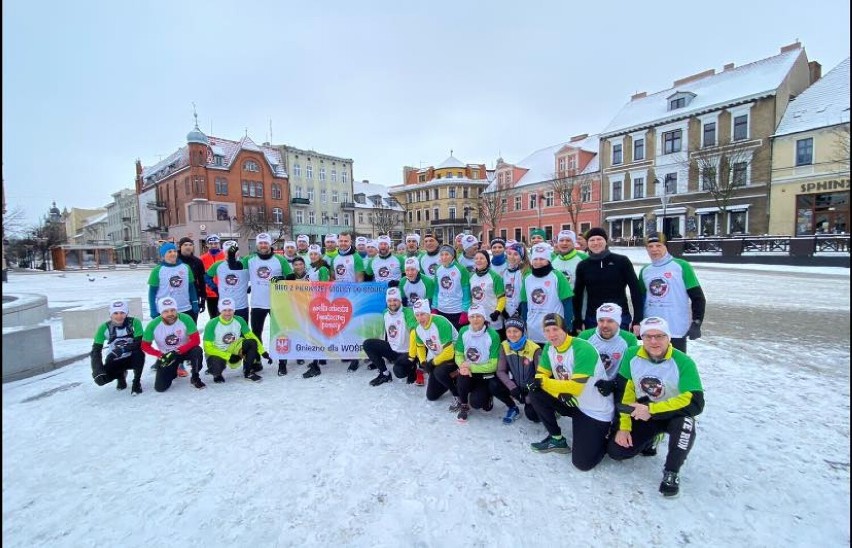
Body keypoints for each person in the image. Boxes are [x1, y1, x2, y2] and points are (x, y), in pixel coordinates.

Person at [607, 317, 705, 497]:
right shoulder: (632, 355)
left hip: (673, 414)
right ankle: (652, 439)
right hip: (643, 412)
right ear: (642, 338)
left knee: (686, 424)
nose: (653, 341)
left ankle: (671, 472)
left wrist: (653, 410)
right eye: (648, 336)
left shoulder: (683, 362)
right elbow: (624, 394)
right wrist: (624, 428)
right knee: (616, 452)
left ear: (668, 337)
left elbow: (695, 402)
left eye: (659, 336)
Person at [526, 313, 614, 471]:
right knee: (536, 393)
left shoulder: (582, 348)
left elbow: (574, 387)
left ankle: (608, 435)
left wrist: (544, 383)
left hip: (594, 410)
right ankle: (556, 439)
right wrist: (558, 392)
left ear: (564, 329)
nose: (551, 334)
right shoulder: (549, 347)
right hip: (571, 401)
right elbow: (541, 374)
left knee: (582, 463)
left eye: (555, 329)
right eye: (547, 330)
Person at [639, 234, 706, 353]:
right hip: (651, 329)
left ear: (666, 246)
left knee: (675, 366)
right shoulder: (645, 271)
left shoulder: (681, 266)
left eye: (658, 245)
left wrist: (697, 321)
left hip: (675, 328)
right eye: (650, 246)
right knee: (653, 366)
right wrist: (638, 322)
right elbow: (641, 300)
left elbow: (698, 297)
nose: (654, 249)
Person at [572, 227, 643, 333]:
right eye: (592, 240)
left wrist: (637, 320)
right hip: (593, 319)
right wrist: (578, 320)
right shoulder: (583, 265)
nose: (596, 243)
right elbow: (578, 295)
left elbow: (635, 290)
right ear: (588, 243)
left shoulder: (621, 261)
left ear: (605, 241)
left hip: (620, 317)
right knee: (593, 349)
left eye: (599, 239)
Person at [242, 233, 293, 375]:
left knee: (280, 333)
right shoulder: (249, 259)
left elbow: (290, 277)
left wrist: (281, 278)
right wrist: (231, 256)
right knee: (256, 334)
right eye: (261, 243)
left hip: (276, 303)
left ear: (270, 244)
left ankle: (282, 362)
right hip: (258, 303)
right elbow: (235, 269)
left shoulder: (279, 260)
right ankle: (256, 361)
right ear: (257, 245)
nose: (263, 245)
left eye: (266, 243)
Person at [576, 303, 639, 401]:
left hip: (616, 386)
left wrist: (614, 384)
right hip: (589, 385)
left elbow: (631, 370)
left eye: (610, 321)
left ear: (618, 322)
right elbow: (577, 365)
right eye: (601, 320)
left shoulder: (629, 339)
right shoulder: (585, 336)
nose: (605, 325)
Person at [142, 296, 205, 391]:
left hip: (184, 351)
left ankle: (195, 377)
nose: (170, 314)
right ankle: (173, 371)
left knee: (197, 350)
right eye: (165, 311)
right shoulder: (153, 325)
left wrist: (178, 351)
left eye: (173, 310)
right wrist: (159, 354)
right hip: (167, 356)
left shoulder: (185, 319)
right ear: (160, 312)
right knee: (160, 388)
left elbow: (196, 340)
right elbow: (145, 345)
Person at [202, 297, 271, 383]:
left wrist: (262, 351)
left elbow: (251, 336)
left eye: (230, 310)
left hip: (234, 347)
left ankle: (248, 372)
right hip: (218, 350)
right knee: (216, 367)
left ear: (234, 310)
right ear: (220, 310)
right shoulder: (212, 324)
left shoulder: (239, 320)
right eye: (224, 310)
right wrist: (228, 356)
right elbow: (208, 347)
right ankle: (217, 374)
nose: (227, 313)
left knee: (251, 343)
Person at [453, 304, 502, 422]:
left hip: (485, 374)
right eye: (472, 316)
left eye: (478, 316)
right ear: (468, 318)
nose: (475, 319)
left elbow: (493, 364)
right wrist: (462, 366)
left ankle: (487, 394)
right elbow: (458, 354)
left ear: (484, 318)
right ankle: (464, 405)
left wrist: (470, 366)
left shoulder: (493, 335)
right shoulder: (463, 331)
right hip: (467, 372)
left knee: (477, 403)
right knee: (462, 375)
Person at [363, 287, 419, 386]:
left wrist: (413, 355)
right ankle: (384, 374)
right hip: (392, 349)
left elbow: (414, 332)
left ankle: (412, 367)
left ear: (400, 300)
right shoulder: (385, 312)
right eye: (389, 300)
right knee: (368, 344)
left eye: (395, 300)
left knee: (399, 372)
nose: (392, 303)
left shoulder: (408, 312)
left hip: (407, 352)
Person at [519, 244, 573, 346]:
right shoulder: (527, 278)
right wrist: (524, 323)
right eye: (535, 259)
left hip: (554, 328)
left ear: (548, 260)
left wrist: (568, 324)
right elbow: (524, 304)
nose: (538, 262)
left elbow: (567, 302)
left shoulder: (557, 276)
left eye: (542, 259)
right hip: (533, 329)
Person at [409, 299, 460, 404]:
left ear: (428, 313)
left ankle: (457, 394)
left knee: (438, 371)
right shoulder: (417, 328)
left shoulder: (440, 322)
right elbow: (420, 346)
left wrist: (432, 363)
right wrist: (423, 362)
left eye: (422, 314)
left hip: (456, 355)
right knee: (432, 396)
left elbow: (449, 352)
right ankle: (453, 378)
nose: (420, 318)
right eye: (417, 315)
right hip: (438, 355)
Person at [90, 300, 145, 395]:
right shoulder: (103, 328)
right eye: (115, 313)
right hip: (114, 358)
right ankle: (120, 376)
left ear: (126, 312)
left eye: (122, 312)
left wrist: (123, 349)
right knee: (101, 380)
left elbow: (139, 343)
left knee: (139, 353)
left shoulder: (135, 323)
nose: (119, 316)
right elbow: (95, 351)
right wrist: (97, 370)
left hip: (131, 357)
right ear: (110, 314)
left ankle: (136, 382)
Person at [493, 315, 541, 424]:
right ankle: (512, 407)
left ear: (522, 332)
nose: (512, 334)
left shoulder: (535, 349)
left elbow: (540, 376)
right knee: (493, 385)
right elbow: (500, 371)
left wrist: (528, 398)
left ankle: (548, 407)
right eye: (509, 331)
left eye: (516, 331)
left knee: (532, 415)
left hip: (531, 387)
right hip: (516, 385)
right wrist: (512, 388)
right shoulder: (504, 346)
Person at [331, 232, 366, 372]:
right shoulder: (335, 257)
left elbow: (360, 278)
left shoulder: (355, 257)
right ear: (338, 242)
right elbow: (333, 277)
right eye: (341, 241)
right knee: (343, 326)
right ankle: (346, 350)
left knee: (353, 327)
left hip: (352, 297)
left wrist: (356, 296)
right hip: (339, 297)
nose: (343, 243)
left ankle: (355, 357)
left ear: (350, 242)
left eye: (346, 241)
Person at [148, 241, 199, 322]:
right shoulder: (157, 270)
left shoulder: (186, 267)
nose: (173, 254)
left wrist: (195, 302)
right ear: (163, 255)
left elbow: (191, 287)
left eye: (174, 251)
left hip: (185, 308)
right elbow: (152, 292)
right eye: (169, 252)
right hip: (166, 311)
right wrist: (153, 309)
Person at [206, 240, 250, 323]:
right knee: (224, 333)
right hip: (224, 307)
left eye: (233, 252)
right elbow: (207, 277)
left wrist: (250, 287)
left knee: (242, 332)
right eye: (227, 252)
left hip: (241, 306)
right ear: (223, 252)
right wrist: (214, 288)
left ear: (238, 252)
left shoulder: (244, 263)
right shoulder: (218, 265)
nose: (230, 254)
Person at [468, 250, 507, 337]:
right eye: (476, 258)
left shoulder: (495, 277)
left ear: (487, 261)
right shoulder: (471, 276)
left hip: (492, 316)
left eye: (482, 258)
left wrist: (497, 312)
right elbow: (469, 297)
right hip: (477, 317)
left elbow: (502, 298)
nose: (479, 260)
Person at [433, 244, 471, 329]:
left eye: (447, 254)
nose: (444, 257)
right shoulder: (438, 269)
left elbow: (466, 292)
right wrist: (434, 307)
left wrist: (465, 311)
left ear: (452, 256)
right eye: (442, 255)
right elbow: (436, 290)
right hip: (441, 309)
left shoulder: (461, 270)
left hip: (457, 311)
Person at [178, 237, 207, 318]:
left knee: (192, 324)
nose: (188, 247)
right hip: (177, 297)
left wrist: (203, 299)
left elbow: (201, 281)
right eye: (185, 245)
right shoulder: (175, 260)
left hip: (193, 296)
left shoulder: (197, 261)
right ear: (180, 247)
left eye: (190, 245)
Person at [501, 242, 528, 321]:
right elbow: (502, 293)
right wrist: (503, 310)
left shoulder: (524, 273)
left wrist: (519, 310)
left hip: (521, 313)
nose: (512, 257)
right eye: (509, 254)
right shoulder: (504, 273)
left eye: (516, 254)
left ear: (521, 257)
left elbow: (526, 295)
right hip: (507, 313)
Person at [199, 234, 223, 318]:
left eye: (216, 243)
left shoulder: (225, 256)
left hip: (224, 292)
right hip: (210, 293)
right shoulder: (202, 258)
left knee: (226, 316)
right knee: (213, 317)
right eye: (211, 243)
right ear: (207, 244)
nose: (213, 245)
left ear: (219, 243)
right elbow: (200, 276)